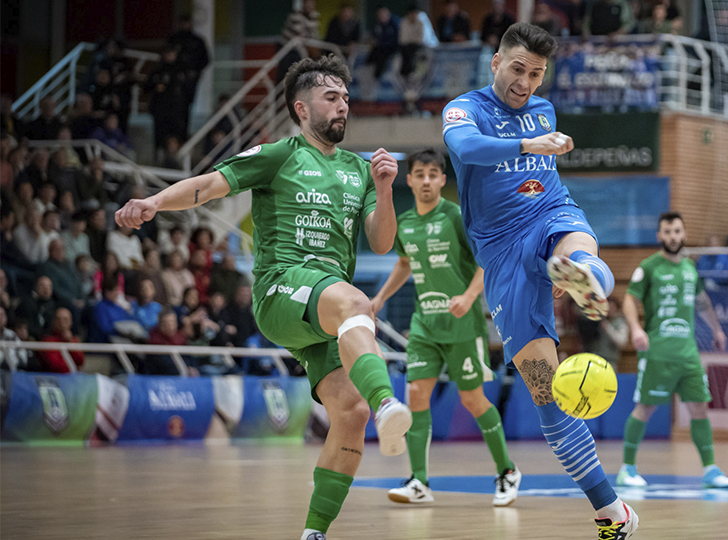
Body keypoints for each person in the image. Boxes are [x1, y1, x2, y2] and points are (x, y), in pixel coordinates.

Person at [114, 55, 411, 540]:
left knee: (349, 412)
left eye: (346, 98)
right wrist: (153, 202)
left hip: (324, 308)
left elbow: (380, 243)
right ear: (301, 108)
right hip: (282, 289)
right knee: (357, 306)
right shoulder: (279, 154)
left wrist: (383, 190)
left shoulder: (360, 171)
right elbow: (209, 185)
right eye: (331, 97)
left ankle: (314, 532)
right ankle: (388, 404)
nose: (342, 107)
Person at [441, 23, 638, 539]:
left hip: (547, 212)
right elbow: (468, 148)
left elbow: (540, 154)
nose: (526, 82)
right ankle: (611, 511)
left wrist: (540, 137)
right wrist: (530, 141)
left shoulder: (544, 108)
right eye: (518, 69)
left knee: (575, 241)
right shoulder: (463, 109)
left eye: (536, 74)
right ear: (495, 63)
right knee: (546, 391)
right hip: (501, 251)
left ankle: (585, 279)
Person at [370, 149, 519, 507]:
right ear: (409, 179)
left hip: (462, 326)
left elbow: (485, 262)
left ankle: (507, 471)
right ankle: (419, 481)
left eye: (432, 174)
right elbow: (405, 264)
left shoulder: (455, 216)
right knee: (416, 397)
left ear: (442, 180)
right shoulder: (404, 223)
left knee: (472, 399)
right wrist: (378, 300)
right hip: (424, 325)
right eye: (418, 174)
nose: (425, 180)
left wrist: (469, 297)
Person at [617, 211, 728, 490]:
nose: (673, 237)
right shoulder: (648, 267)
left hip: (688, 353)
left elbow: (702, 301)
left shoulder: (690, 268)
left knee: (699, 408)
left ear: (684, 234)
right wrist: (636, 329)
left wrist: (717, 329)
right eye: (667, 232)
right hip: (658, 351)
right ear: (659, 236)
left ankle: (710, 470)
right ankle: (627, 468)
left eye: (677, 231)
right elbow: (629, 300)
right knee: (645, 408)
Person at [38, 307, 84, 373]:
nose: (62, 323)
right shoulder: (47, 341)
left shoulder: (74, 340)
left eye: (65, 319)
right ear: (53, 322)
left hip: (73, 378)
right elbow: (55, 365)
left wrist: (70, 342)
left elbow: (80, 361)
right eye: (58, 319)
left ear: (71, 322)